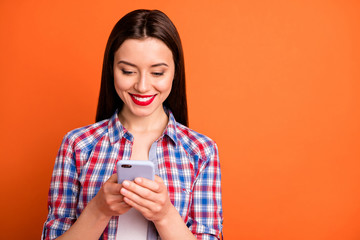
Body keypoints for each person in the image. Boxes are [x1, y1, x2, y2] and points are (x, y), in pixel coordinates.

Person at [42, 9, 223, 240]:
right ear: (111, 69)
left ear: (175, 71)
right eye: (128, 71)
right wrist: (98, 209)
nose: (143, 86)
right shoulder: (77, 145)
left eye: (157, 72)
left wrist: (165, 215)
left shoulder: (201, 151)